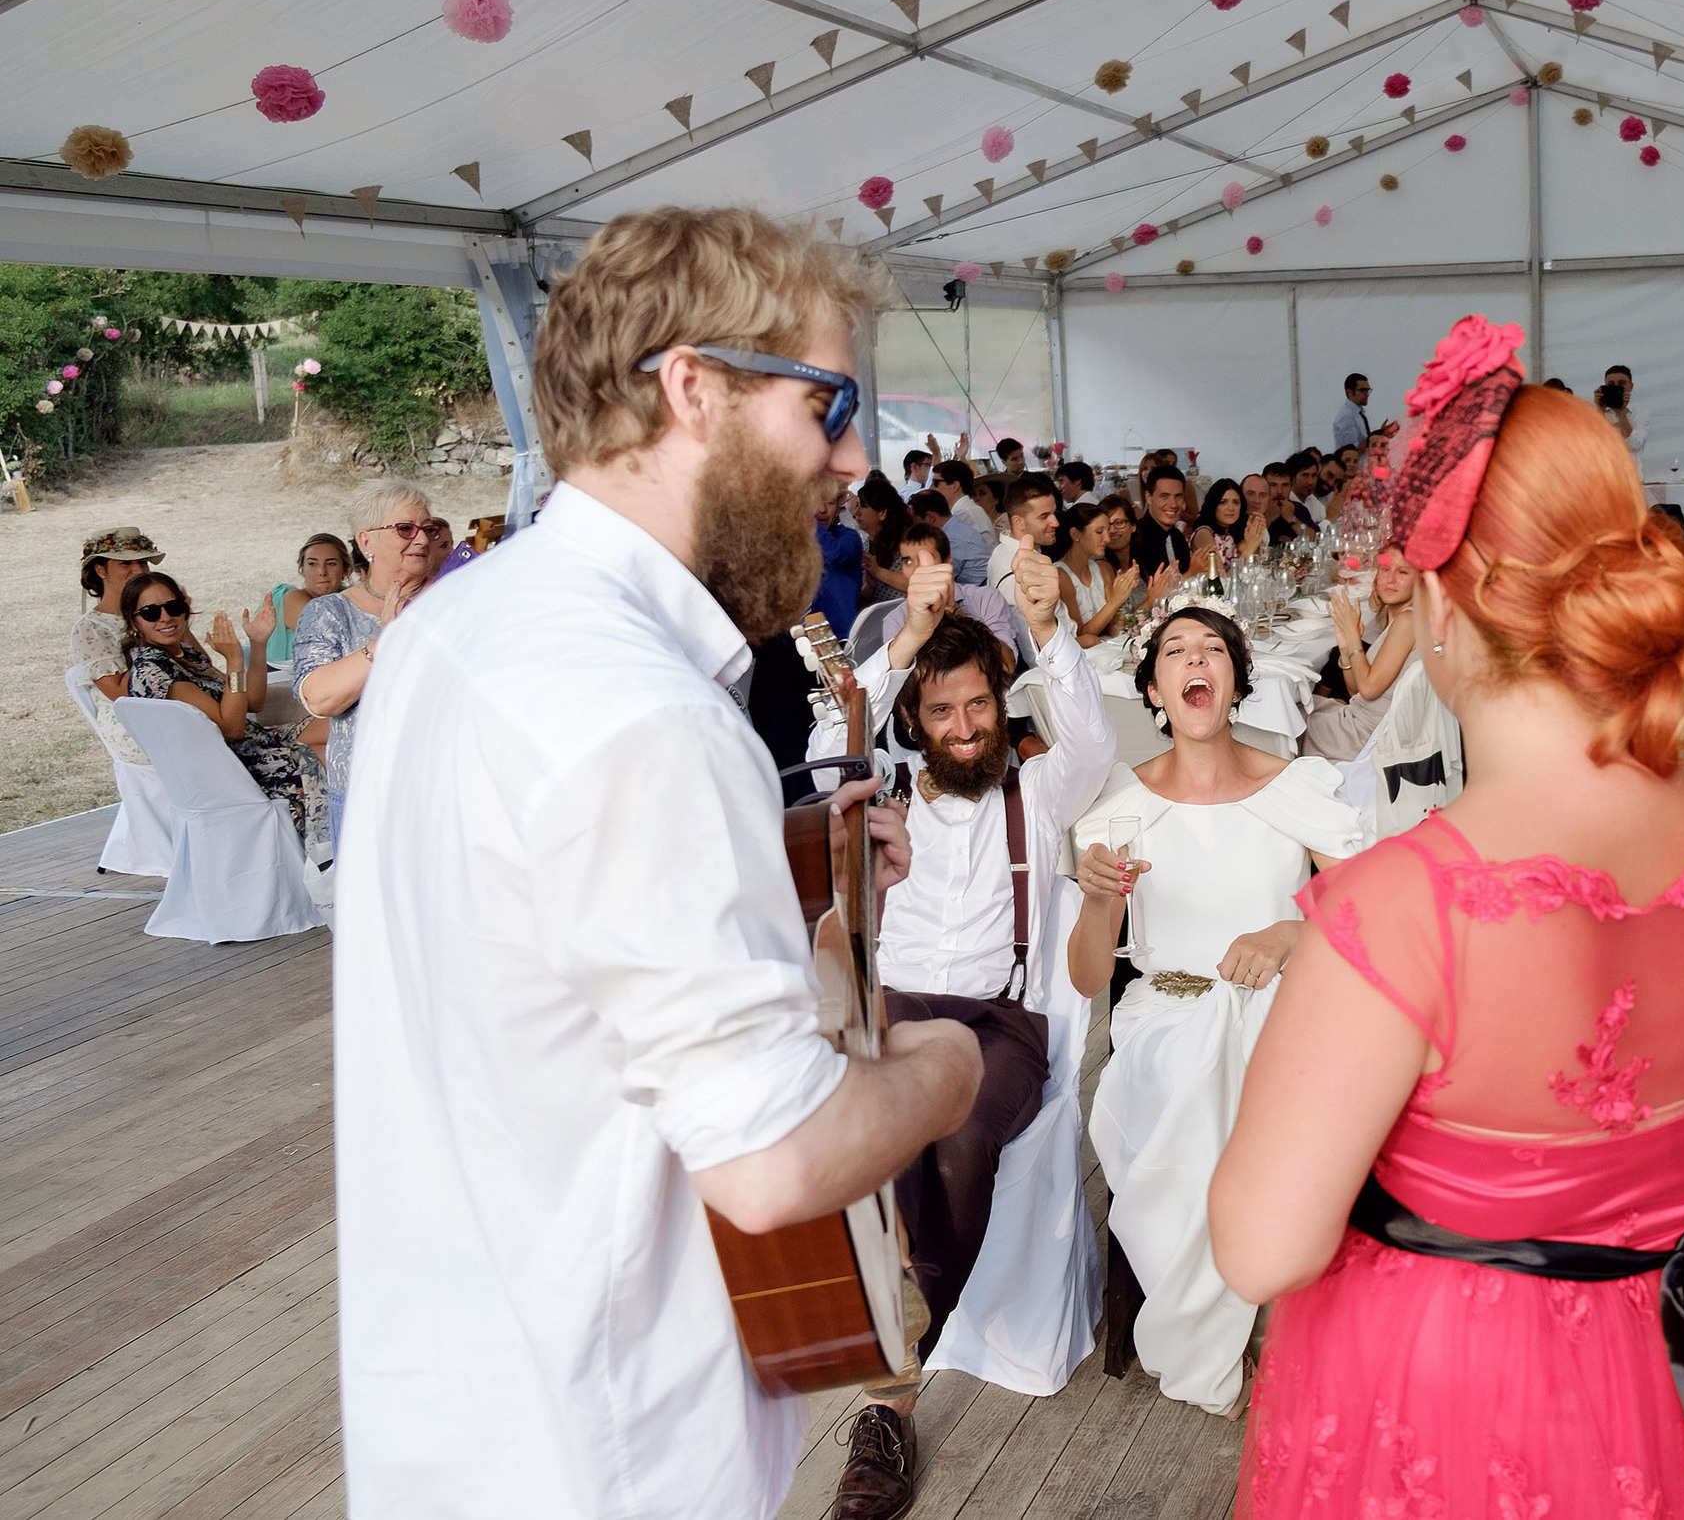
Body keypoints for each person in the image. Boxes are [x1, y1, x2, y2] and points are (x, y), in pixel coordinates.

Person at [333, 205, 982, 1520]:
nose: (852, 456)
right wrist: (944, 1067)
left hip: (461, 1395)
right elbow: (780, 1159)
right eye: (830, 401)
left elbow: (546, 947)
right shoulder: (643, 709)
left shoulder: (461, 623)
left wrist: (800, 871)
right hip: (610, 1442)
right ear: (693, 385)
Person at [1207, 325, 1684, 1517]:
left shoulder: (1400, 906)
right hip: (1677, 1338)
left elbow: (1261, 1249)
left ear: (1446, 599)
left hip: (1457, 1386)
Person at [829, 533, 1111, 1505]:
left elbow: (1094, 740)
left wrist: (1048, 631)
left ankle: (901, 1380)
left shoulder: (1036, 790)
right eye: (942, 709)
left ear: (1002, 707)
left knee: (953, 1141)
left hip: (1001, 1020)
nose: (961, 725)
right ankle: (905, 1318)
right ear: (915, 716)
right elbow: (837, 716)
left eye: (978, 705)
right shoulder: (886, 787)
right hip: (898, 1006)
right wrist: (905, 632)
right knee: (857, 1126)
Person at [1062, 603, 1366, 1416]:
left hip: (1284, 1007)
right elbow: (1091, 978)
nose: (1195, 658)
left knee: (1276, 1071)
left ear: (1234, 679)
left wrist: (1291, 928)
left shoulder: (1295, 785)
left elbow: (1368, 907)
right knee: (1193, 1072)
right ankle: (1230, 1307)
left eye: (1212, 649)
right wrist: (1096, 904)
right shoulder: (1122, 808)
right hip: (1167, 1014)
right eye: (1175, 650)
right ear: (1157, 690)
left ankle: (1268, 1300)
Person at [119, 571, 322, 838]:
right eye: (150, 612)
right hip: (235, 768)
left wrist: (258, 644)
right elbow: (232, 728)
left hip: (253, 744)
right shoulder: (154, 671)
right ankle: (331, 849)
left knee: (342, 727)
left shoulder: (182, 653)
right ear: (133, 621)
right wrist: (235, 660)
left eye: (173, 607)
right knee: (333, 755)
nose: (165, 617)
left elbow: (252, 702)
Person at [294, 476, 437, 839]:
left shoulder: (454, 597)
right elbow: (319, 697)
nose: (421, 539)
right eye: (405, 529)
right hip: (369, 799)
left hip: (448, 789)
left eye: (427, 529)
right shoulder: (330, 612)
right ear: (367, 540)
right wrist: (384, 642)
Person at [1302, 545, 1419, 761]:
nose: (1390, 579)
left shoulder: (1408, 621)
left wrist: (1353, 636)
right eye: (1385, 570)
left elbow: (1368, 689)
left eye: (1402, 572)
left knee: (1287, 719)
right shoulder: (1401, 619)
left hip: (1366, 737)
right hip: (1364, 725)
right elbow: (1356, 690)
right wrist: (1346, 649)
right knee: (1301, 709)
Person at [866, 523, 1022, 680]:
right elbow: (901, 685)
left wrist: (955, 611)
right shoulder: (896, 620)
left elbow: (1006, 666)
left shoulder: (985, 599)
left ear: (947, 562)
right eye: (907, 562)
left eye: (925, 558)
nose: (916, 569)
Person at [70, 526, 166, 766]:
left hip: (179, 705)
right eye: (126, 564)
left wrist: (178, 616)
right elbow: (124, 696)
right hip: (133, 725)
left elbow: (198, 662)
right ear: (100, 570)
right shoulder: (91, 628)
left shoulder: (159, 611)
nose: (139, 570)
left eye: (143, 562)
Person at [1056, 502, 1148, 645]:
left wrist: (1123, 596)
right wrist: (1115, 602)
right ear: (1075, 534)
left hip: (1108, 646)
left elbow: (1114, 629)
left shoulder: (1103, 568)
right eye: (1099, 532)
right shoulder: (1061, 576)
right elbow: (1080, 635)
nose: (1107, 538)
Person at [266, 533, 350, 671]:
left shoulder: (347, 597)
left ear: (345, 570)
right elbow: (332, 635)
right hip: (286, 679)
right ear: (302, 569)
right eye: (312, 564)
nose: (322, 572)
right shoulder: (293, 598)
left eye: (331, 564)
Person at [987, 472, 1060, 608]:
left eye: (1054, 513)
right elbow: (1028, 627)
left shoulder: (1003, 550)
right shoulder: (1018, 575)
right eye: (1044, 516)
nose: (1055, 522)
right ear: (1018, 522)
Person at [851, 471, 913, 603]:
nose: (856, 513)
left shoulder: (907, 543)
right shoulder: (867, 545)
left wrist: (878, 572)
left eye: (863, 507)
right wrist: (869, 587)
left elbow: (917, 583)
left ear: (882, 513)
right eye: (856, 505)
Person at [932, 459, 997, 581]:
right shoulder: (967, 509)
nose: (932, 488)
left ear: (955, 486)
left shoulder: (963, 514)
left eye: (936, 483)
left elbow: (953, 563)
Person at [813, 485, 866, 635]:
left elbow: (836, 553)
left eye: (830, 502)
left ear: (838, 508)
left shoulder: (849, 538)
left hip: (838, 638)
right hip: (794, 638)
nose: (822, 509)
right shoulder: (792, 542)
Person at [1132, 464, 1194, 579]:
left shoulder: (1178, 537)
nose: (1173, 504)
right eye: (1164, 496)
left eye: (1178, 496)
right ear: (1149, 497)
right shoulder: (1136, 539)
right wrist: (1193, 571)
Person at [1596, 360, 1647, 452]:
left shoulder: (1639, 413)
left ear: (1631, 386)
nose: (1616, 387)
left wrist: (1621, 414)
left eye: (1621, 383)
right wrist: (1600, 411)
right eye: (1611, 384)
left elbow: (1634, 446)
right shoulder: (1595, 413)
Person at [1332, 372, 1374, 451]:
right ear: (1350, 392)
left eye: (1368, 390)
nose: (1367, 394)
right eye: (1362, 390)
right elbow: (1351, 450)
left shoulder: (1358, 413)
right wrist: (1375, 437)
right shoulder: (1346, 416)